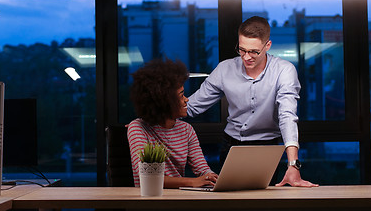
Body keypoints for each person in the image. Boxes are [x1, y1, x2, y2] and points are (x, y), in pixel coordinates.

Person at [187, 16, 318, 188]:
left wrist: (293, 164)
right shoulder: (225, 69)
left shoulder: (284, 70)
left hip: (266, 148)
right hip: (231, 146)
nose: (246, 57)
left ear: (267, 46)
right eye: (242, 50)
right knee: (230, 202)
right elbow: (192, 106)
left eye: (254, 52)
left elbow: (287, 115)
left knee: (263, 203)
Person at [127, 58, 218, 189]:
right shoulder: (138, 128)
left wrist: (213, 178)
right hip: (149, 200)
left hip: (177, 200)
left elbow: (202, 168)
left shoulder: (187, 130)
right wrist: (192, 182)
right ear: (165, 101)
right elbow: (147, 176)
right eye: (181, 95)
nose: (186, 100)